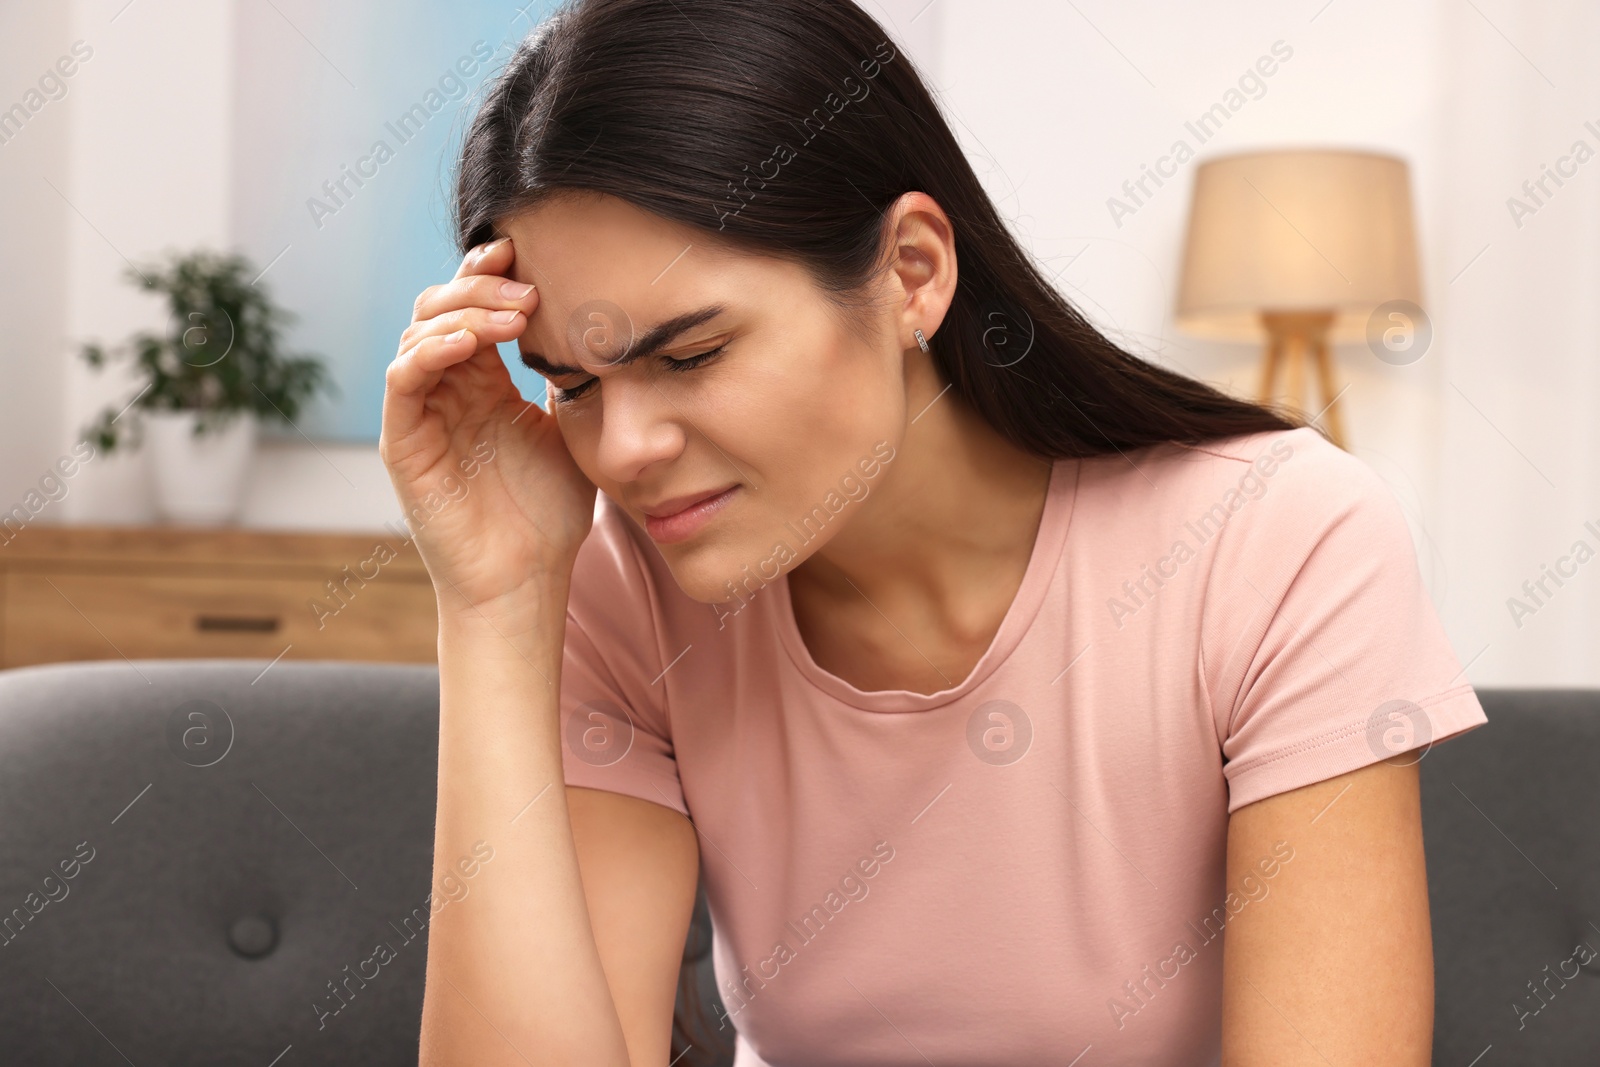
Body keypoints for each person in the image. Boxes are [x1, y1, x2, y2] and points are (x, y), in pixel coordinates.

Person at [379, 1, 1487, 1063]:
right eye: (572, 383)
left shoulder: (1279, 540)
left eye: (689, 355)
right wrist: (496, 602)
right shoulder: (626, 591)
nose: (621, 450)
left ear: (913, 270)